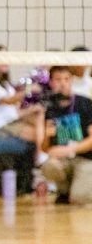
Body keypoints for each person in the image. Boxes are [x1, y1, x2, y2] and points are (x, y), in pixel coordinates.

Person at [0, 48, 47, 165]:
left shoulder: (6, 84)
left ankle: (40, 156)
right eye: (2, 58)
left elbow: (14, 111)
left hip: (10, 122)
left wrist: (32, 110)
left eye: (7, 58)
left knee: (46, 124)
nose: (6, 61)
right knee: (38, 135)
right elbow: (7, 100)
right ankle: (39, 157)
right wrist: (29, 88)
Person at [40, 66, 92, 204]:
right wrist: (47, 135)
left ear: (72, 80)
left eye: (66, 79)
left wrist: (70, 149)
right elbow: (44, 148)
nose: (63, 83)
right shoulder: (50, 108)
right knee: (49, 165)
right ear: (51, 83)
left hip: (85, 158)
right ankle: (64, 190)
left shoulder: (84, 103)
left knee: (80, 199)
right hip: (64, 161)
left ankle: (76, 189)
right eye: (58, 79)